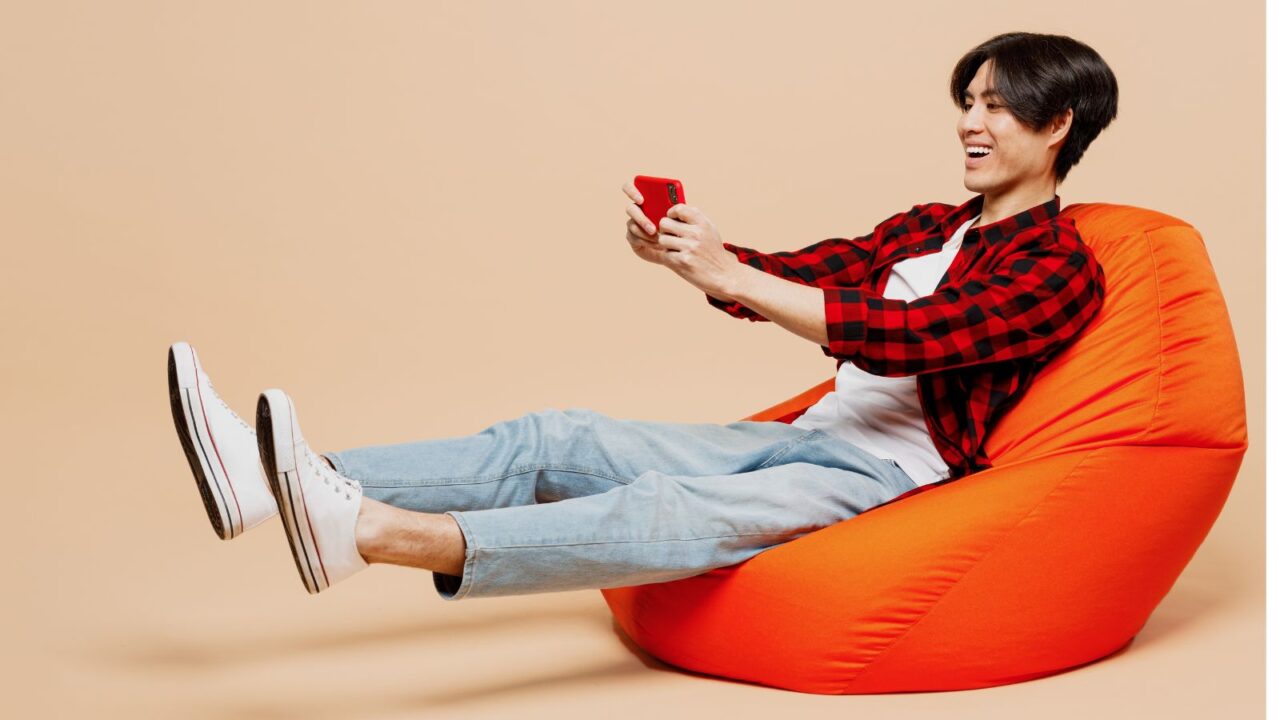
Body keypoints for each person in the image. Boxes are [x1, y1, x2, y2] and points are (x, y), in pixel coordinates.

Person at [166, 31, 1116, 599]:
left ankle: (369, 535)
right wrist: (697, 255)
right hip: (802, 435)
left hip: (886, 477)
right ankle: (267, 478)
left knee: (662, 511)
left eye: (997, 106)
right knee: (557, 437)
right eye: (968, 102)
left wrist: (737, 280)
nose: (971, 122)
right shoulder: (929, 225)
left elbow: (908, 339)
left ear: (1058, 123)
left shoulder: (1058, 266)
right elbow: (815, 272)